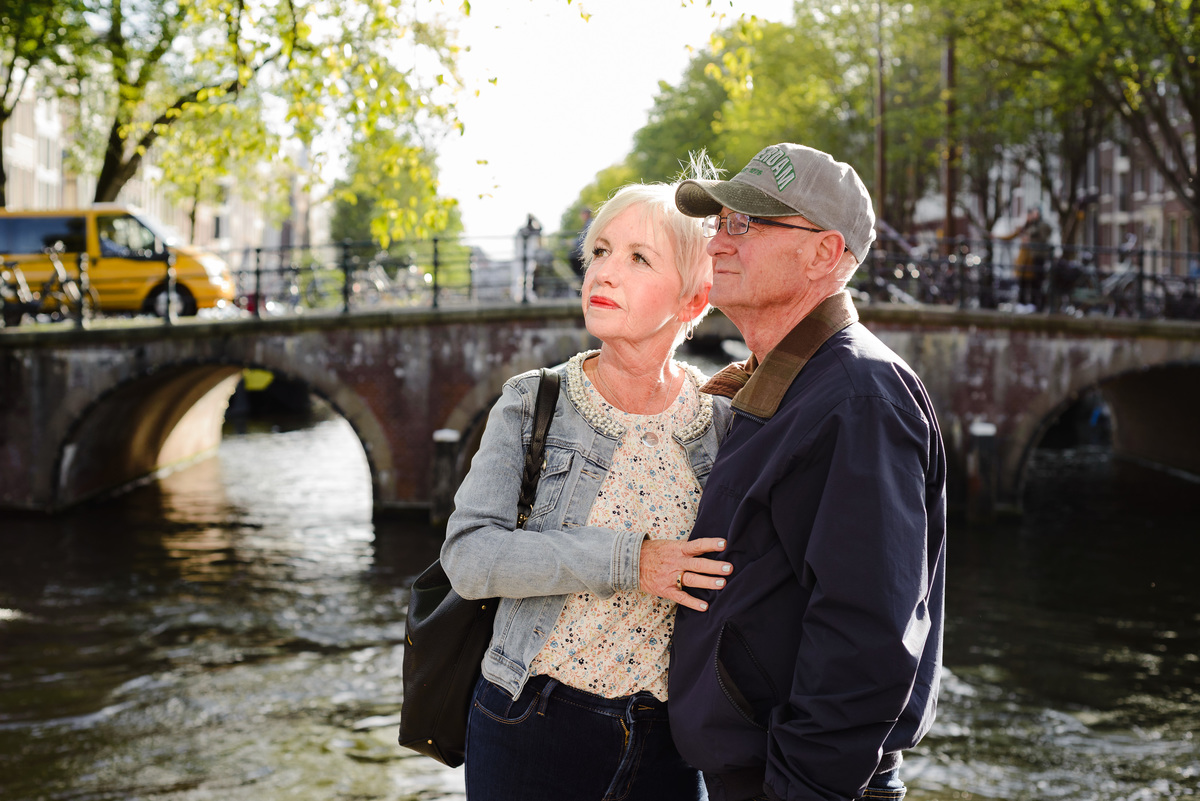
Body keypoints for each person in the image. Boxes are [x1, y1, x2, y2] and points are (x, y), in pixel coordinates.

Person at [668, 143, 948, 801]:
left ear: (823, 253)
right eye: (719, 223)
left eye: (746, 224)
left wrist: (800, 787)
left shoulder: (858, 396)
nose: (716, 246)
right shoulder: (795, 385)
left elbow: (866, 633)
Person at [440, 175, 735, 800]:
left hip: (673, 744)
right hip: (532, 723)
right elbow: (468, 559)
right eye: (598, 251)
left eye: (637, 258)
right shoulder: (533, 403)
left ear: (693, 299)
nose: (603, 273)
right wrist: (631, 561)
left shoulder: (722, 423)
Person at [999, 207, 1052, 309]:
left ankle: (1036, 305)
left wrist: (1030, 237)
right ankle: (1023, 303)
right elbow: (1012, 235)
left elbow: (1045, 235)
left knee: (1035, 283)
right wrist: (997, 237)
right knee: (1023, 282)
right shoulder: (1026, 227)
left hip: (1034, 258)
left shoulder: (1040, 226)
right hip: (1025, 260)